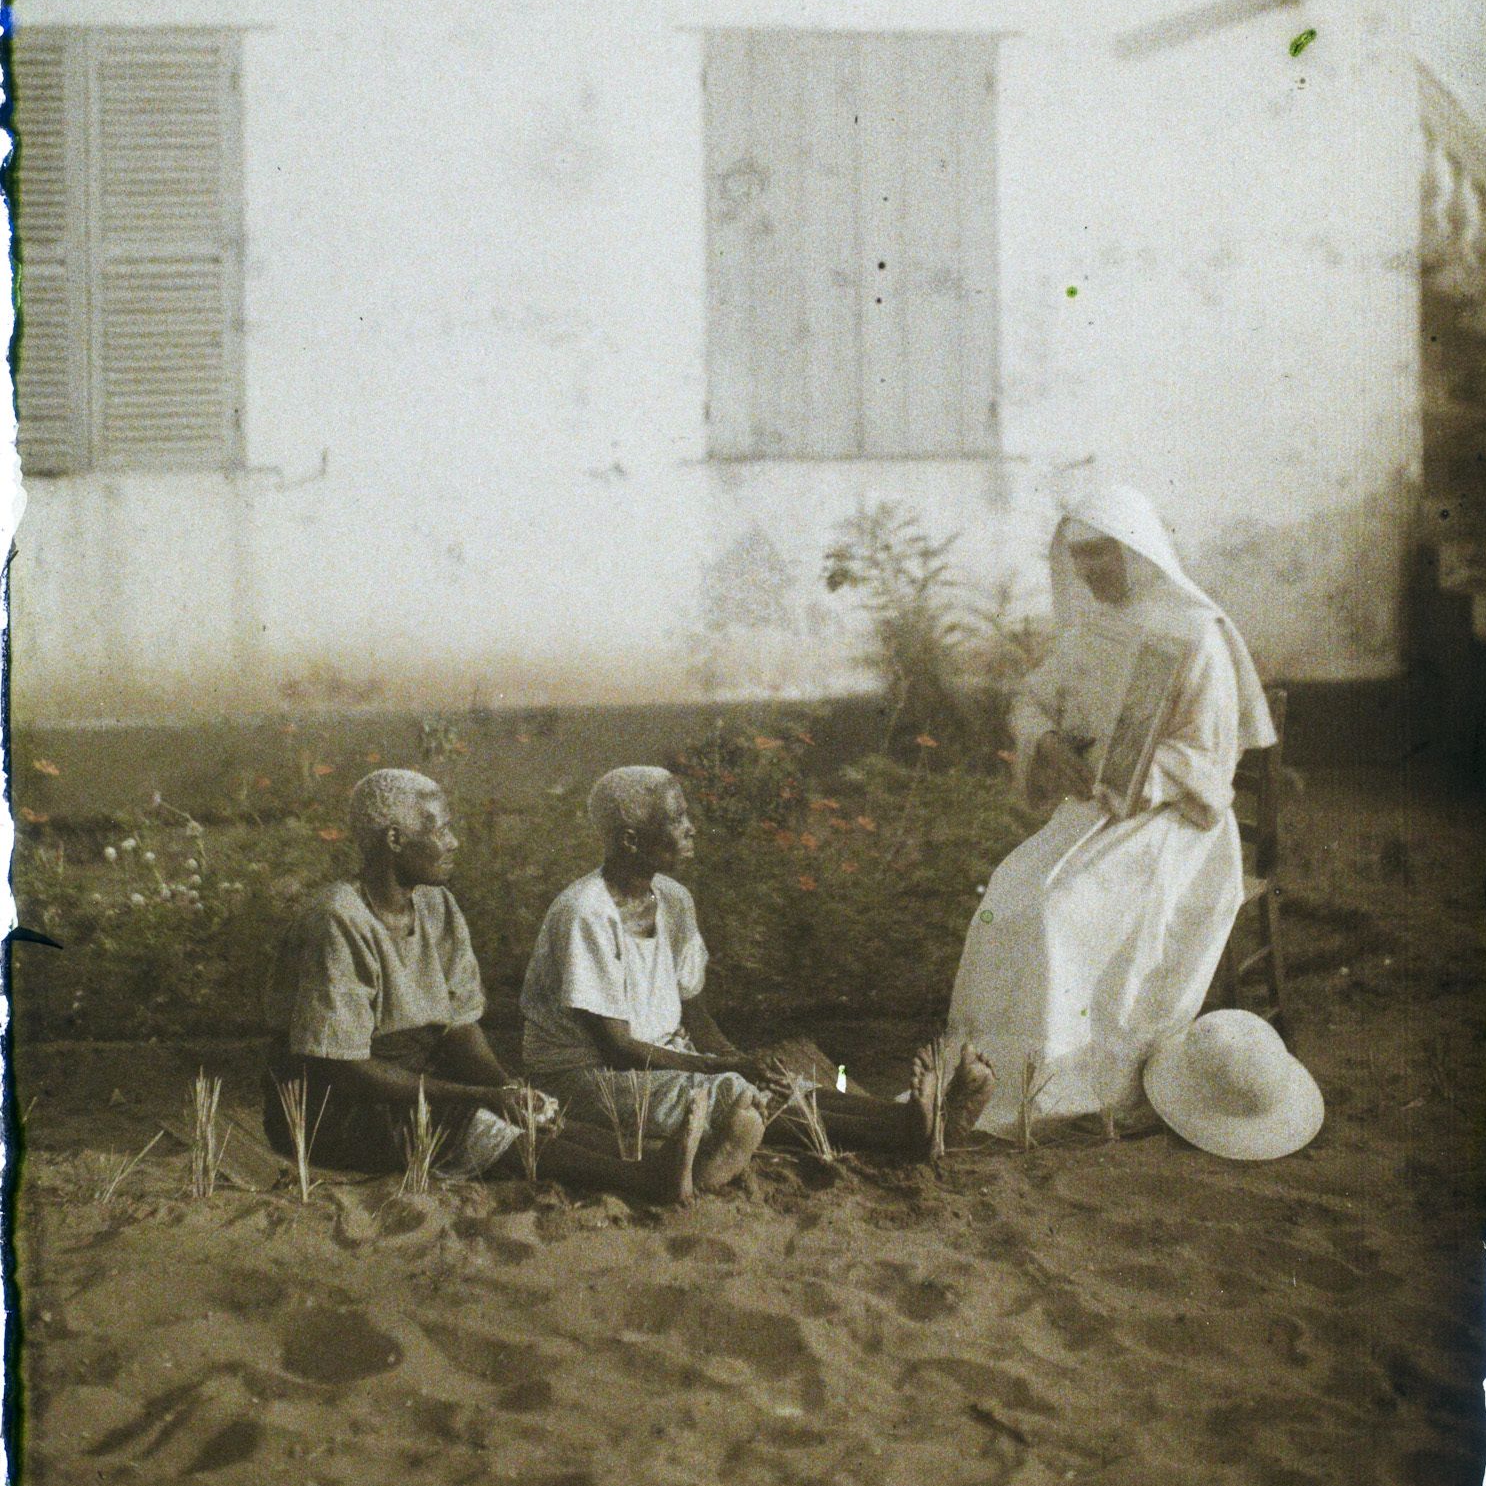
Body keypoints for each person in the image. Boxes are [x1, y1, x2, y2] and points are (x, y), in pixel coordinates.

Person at [948, 483, 1276, 1134]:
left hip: (1175, 823)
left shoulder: (1196, 632)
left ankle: (1072, 1083)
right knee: (1008, 895)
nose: (1087, 571)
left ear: (1137, 550)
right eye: (1078, 557)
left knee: (1059, 910)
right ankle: (998, 1074)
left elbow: (1207, 758)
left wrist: (1133, 776)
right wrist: (1047, 744)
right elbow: (1031, 701)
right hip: (1094, 812)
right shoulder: (1094, 629)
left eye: (1099, 553)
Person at [262, 768, 712, 1204]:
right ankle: (642, 1178)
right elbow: (344, 1067)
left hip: (412, 1081)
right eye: (440, 830)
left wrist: (508, 1090)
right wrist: (481, 1096)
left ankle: (658, 1158)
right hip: (335, 1106)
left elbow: (459, 1026)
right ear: (395, 840)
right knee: (474, 1121)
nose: (453, 842)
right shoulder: (338, 919)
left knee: (533, 1116)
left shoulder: (437, 905)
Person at [521, 766, 996, 1166]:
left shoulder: (673, 900)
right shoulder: (585, 912)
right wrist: (728, 1066)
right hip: (586, 1080)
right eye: (676, 818)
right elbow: (617, 1047)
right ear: (630, 840)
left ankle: (914, 1121)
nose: (691, 828)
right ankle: (903, 1132)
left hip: (654, 1062)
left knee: (772, 1083)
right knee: (730, 1091)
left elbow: (692, 1011)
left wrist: (748, 1063)